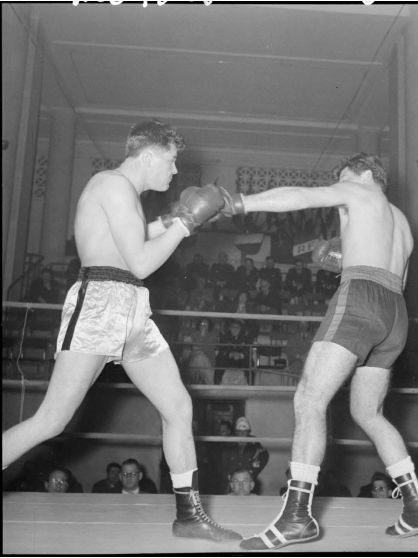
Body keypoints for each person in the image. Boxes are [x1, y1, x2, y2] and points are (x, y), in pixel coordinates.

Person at [1, 120, 240, 542]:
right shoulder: (111, 184)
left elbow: (135, 237)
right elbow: (142, 262)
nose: (173, 172)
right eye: (170, 161)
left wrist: (175, 219)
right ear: (148, 155)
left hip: (132, 308)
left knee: (179, 408)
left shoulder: (124, 194)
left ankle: (189, 515)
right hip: (100, 304)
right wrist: (184, 226)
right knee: (52, 419)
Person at [219, 152, 418, 549]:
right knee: (368, 413)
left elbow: (301, 196)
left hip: (361, 299)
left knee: (309, 399)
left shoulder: (359, 191)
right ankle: (415, 506)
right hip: (395, 313)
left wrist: (241, 202)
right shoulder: (402, 222)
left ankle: (298, 517)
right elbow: (394, 276)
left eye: (345, 176)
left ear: (369, 174)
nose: (340, 184)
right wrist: (341, 257)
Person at [215, 417, 269, 494]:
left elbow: (264, 456)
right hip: (232, 480)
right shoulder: (229, 443)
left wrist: (255, 471)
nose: (242, 434)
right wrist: (226, 475)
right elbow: (220, 461)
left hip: (248, 481)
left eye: (245, 431)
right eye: (239, 432)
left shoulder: (255, 443)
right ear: (236, 432)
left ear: (249, 432)